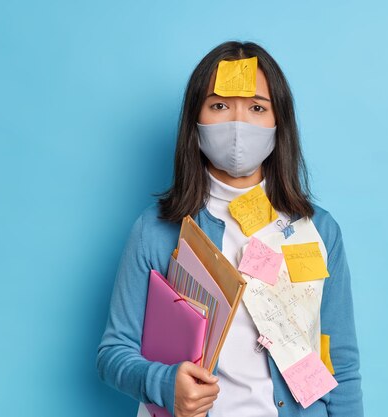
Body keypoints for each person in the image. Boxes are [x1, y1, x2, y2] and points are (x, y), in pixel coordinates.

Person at [97, 41, 363, 417]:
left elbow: (342, 366)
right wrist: (165, 384)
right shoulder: (157, 230)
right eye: (219, 106)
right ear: (196, 119)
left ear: (278, 122)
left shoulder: (319, 230)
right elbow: (113, 353)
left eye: (257, 108)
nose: (239, 126)